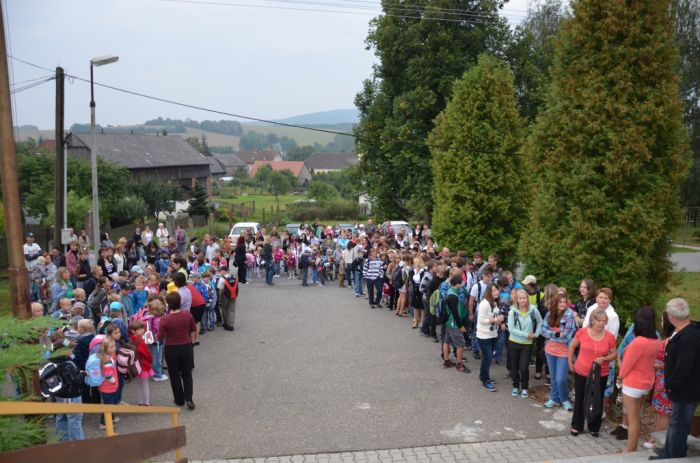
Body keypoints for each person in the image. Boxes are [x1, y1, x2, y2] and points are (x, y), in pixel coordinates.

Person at [650, 298, 700, 460]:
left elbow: (683, 368)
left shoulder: (689, 337)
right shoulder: (682, 331)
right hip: (681, 389)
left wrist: (670, 384)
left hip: (685, 390)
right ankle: (668, 450)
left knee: (679, 424)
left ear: (672, 316)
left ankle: (674, 456)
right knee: (675, 422)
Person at [568, 308, 617, 437]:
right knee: (580, 398)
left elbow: (614, 354)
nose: (602, 323)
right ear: (592, 320)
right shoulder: (582, 332)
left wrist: (604, 358)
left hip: (601, 373)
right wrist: (570, 362)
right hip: (582, 371)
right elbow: (572, 346)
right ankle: (576, 425)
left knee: (597, 400)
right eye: (599, 320)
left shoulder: (609, 337)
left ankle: (594, 426)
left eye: (604, 321)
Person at [618, 307, 659, 453]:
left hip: (633, 384)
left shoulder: (638, 342)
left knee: (632, 419)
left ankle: (630, 450)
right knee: (637, 416)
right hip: (647, 383)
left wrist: (620, 374)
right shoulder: (655, 340)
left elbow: (626, 367)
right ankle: (632, 447)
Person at [159, 292, 196, 410]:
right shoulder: (187, 315)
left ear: (167, 304)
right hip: (186, 346)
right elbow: (193, 330)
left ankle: (179, 399)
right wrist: (191, 342)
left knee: (174, 375)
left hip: (171, 348)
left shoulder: (164, 319)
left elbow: (160, 337)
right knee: (187, 374)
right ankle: (189, 399)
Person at [541, 294, 576, 410]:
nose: (562, 304)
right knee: (553, 377)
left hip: (564, 351)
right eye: (559, 302)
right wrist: (555, 334)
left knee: (561, 378)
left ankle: (564, 399)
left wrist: (551, 334)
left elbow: (567, 336)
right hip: (550, 350)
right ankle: (554, 399)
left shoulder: (570, 315)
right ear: (555, 303)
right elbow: (542, 331)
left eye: (564, 302)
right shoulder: (549, 314)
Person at [507, 289, 542, 399]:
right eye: (520, 298)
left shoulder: (533, 310)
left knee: (524, 367)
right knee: (514, 366)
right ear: (517, 300)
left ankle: (525, 387)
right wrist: (526, 334)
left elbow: (540, 321)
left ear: (527, 298)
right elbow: (511, 329)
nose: (522, 300)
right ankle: (516, 386)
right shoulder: (512, 311)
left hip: (527, 344)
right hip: (513, 342)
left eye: (524, 298)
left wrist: (537, 333)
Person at [441, 275, 470, 374]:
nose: (462, 284)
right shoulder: (453, 296)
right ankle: (459, 364)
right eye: (461, 283)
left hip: (448, 322)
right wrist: (460, 326)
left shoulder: (450, 291)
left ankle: (446, 360)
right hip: (454, 323)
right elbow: (455, 313)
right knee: (460, 344)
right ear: (458, 283)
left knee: (447, 341)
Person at [476, 283, 502, 391]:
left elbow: (494, 316)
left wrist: (500, 319)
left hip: (493, 334)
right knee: (488, 357)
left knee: (488, 357)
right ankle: (485, 380)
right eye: (494, 290)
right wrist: (496, 320)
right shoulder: (485, 303)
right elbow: (481, 320)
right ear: (489, 292)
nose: (496, 292)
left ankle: (482, 375)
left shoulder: (494, 303)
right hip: (484, 335)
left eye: (497, 290)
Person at [130, 320, 154, 406]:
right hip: (143, 365)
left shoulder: (132, 339)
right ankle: (146, 403)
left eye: (142, 328)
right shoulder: (140, 341)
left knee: (138, 384)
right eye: (139, 329)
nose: (142, 330)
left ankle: (140, 402)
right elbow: (146, 353)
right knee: (145, 385)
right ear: (133, 331)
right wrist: (151, 360)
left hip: (135, 365)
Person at [97, 337, 119, 430]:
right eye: (111, 347)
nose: (114, 348)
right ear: (105, 348)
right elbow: (108, 375)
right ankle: (104, 423)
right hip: (108, 386)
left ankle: (111, 418)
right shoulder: (107, 360)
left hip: (105, 386)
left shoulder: (105, 356)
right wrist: (114, 382)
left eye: (114, 346)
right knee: (108, 405)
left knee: (109, 403)